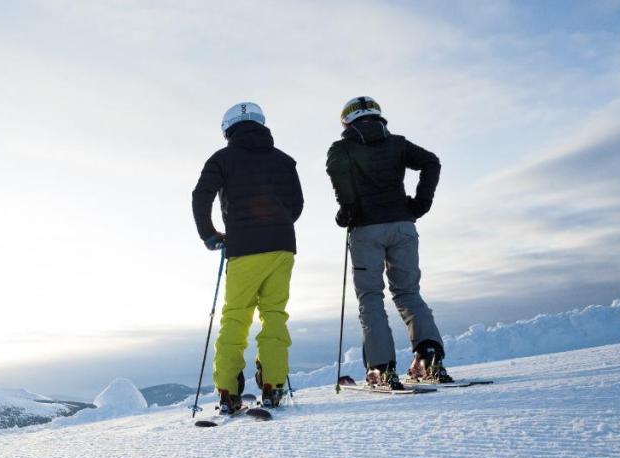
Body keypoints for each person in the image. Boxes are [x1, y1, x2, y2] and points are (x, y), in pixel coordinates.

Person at [326, 95, 452, 389]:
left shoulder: (341, 148)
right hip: (402, 225)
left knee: (370, 298)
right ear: (378, 116)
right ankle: (428, 358)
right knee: (408, 292)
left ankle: (381, 368)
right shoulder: (397, 143)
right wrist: (420, 204)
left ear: (346, 121)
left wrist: (347, 210)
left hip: (366, 230)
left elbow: (337, 174)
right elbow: (431, 162)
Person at [192, 101, 304, 411]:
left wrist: (209, 235)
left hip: (243, 248)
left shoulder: (222, 159)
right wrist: (277, 225)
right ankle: (273, 384)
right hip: (282, 246)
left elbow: (201, 195)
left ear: (228, 130)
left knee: (236, 316)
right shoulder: (284, 161)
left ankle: (228, 390)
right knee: (274, 314)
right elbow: (296, 205)